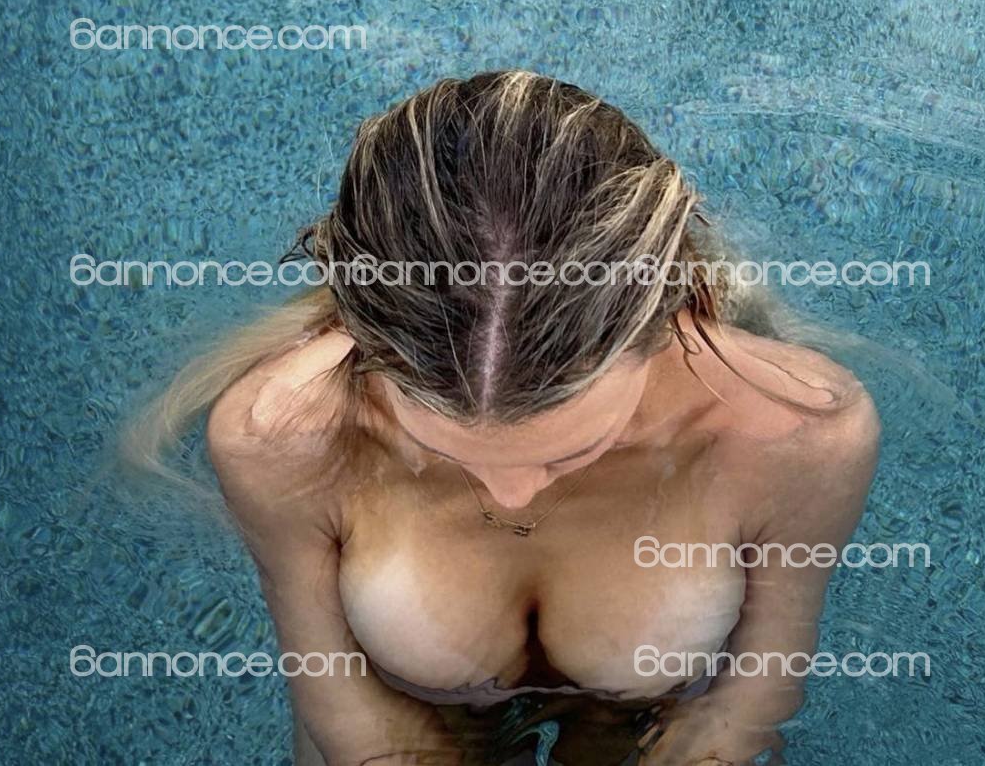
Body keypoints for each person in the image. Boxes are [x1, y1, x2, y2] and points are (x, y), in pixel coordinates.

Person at [127, 70, 879, 765]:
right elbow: (337, 700)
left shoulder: (795, 436)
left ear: (661, 319)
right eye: (446, 446)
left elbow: (752, 693)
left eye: (572, 449)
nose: (511, 495)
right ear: (368, 341)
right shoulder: (279, 438)